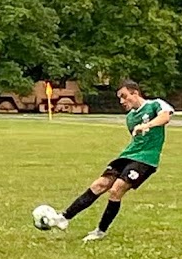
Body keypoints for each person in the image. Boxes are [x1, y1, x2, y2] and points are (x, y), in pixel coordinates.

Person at [50, 80, 174, 242]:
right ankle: (64, 218)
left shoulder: (155, 105)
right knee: (99, 185)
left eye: (124, 96)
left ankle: (100, 231)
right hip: (128, 155)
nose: (122, 101)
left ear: (135, 93)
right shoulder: (130, 118)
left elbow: (165, 116)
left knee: (116, 190)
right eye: (119, 98)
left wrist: (147, 125)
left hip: (146, 158)